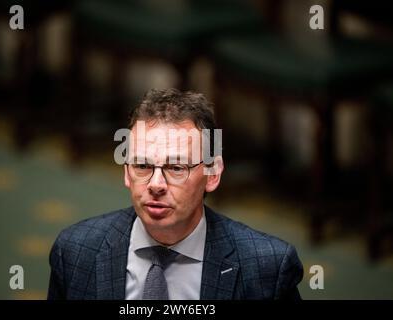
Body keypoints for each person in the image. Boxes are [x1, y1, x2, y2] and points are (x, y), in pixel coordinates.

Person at [47, 88, 303, 300]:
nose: (156, 184)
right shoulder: (75, 253)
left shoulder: (267, 270)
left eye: (176, 168)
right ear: (126, 172)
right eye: (143, 166)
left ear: (212, 174)